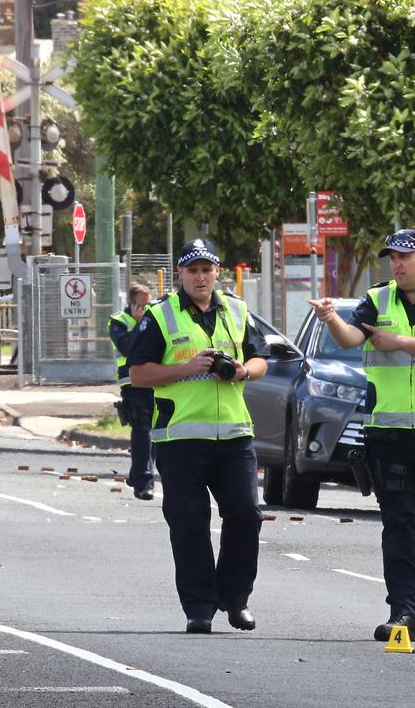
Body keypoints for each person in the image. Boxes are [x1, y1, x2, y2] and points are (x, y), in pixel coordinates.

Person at [310, 228, 415, 644]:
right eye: (392, 258)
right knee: (399, 526)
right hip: (388, 435)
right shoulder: (377, 299)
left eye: (405, 257)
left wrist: (401, 341)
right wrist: (331, 319)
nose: (396, 264)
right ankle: (404, 612)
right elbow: (351, 337)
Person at [127, 239, 270, 634]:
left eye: (207, 269)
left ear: (217, 272)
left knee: (245, 515)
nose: (201, 276)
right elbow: (138, 373)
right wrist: (187, 367)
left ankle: (235, 599)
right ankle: (200, 607)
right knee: (189, 523)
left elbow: (261, 360)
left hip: (235, 436)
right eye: (193, 270)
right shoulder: (160, 315)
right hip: (181, 438)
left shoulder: (237, 310)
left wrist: (242, 371)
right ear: (180, 275)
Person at [108, 283, 156, 500]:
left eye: (149, 304)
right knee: (142, 429)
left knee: (155, 431)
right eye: (142, 305)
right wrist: (139, 324)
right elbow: (128, 348)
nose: (146, 309)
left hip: (156, 380)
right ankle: (144, 482)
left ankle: (136, 474)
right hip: (133, 383)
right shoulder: (119, 321)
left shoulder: (156, 317)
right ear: (132, 304)